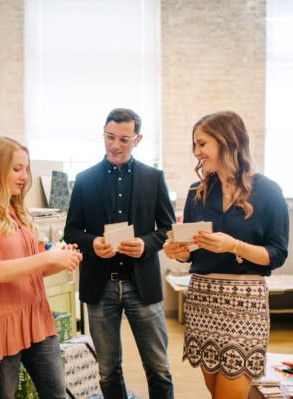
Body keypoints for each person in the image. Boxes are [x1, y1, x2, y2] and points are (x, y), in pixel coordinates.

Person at [163, 110, 289, 399]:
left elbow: (278, 254)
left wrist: (235, 246)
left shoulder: (269, 192)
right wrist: (178, 252)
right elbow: (193, 255)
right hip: (203, 301)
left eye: (202, 144)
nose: (197, 152)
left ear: (226, 141)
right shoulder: (198, 191)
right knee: (215, 392)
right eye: (194, 145)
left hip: (244, 305)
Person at [0, 136, 82, 398]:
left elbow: (31, 268)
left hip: (34, 316)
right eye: (16, 169)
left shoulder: (17, 211)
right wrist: (47, 259)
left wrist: (59, 260)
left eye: (26, 168)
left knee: (57, 393)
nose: (24, 176)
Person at [64, 108, 175, 399]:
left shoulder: (154, 178)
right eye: (110, 137)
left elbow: (167, 229)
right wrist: (93, 243)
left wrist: (146, 244)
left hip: (144, 285)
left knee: (159, 368)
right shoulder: (84, 180)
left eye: (124, 139)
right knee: (108, 371)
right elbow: (72, 231)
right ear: (103, 133)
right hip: (101, 287)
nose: (115, 145)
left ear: (137, 140)